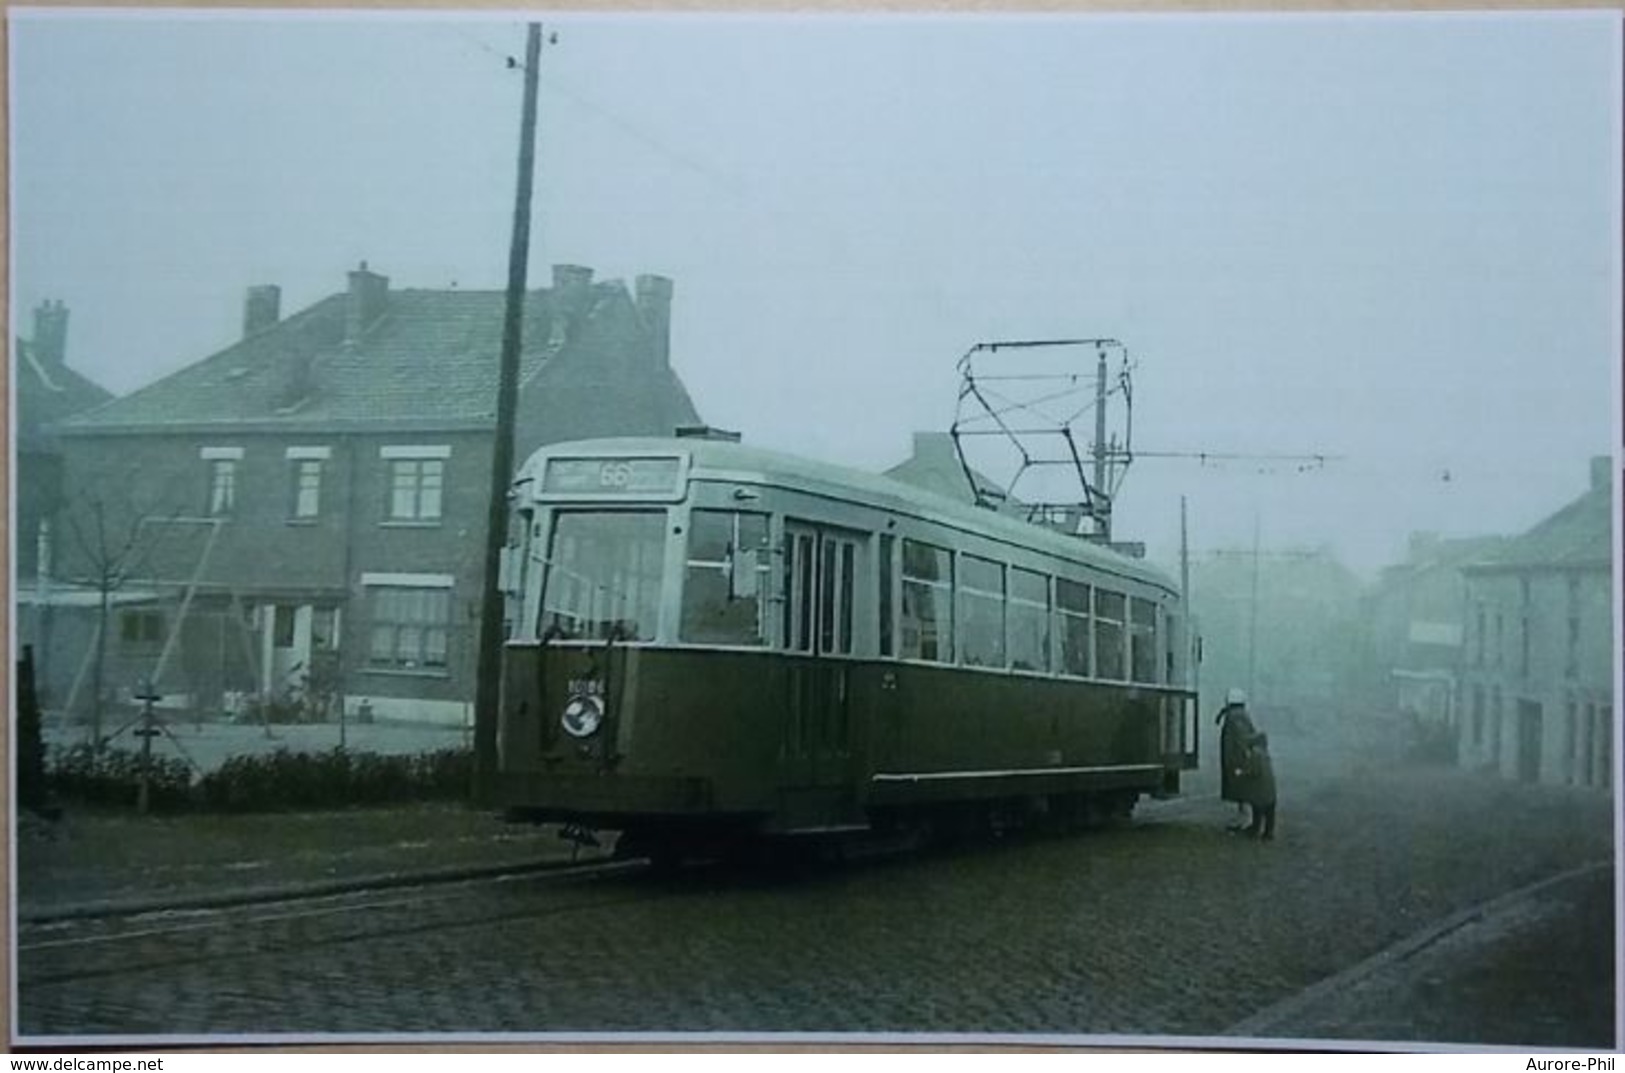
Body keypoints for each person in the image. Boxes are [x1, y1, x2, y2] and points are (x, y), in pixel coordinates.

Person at [1216, 687, 1258, 831]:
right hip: (1238, 758)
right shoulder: (1239, 715)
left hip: (1237, 759)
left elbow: (1240, 740)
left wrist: (1240, 758)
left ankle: (1245, 818)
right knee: (1241, 789)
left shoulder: (1235, 717)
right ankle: (1243, 817)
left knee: (1242, 789)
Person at [1242, 730, 1277, 841]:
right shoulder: (1265, 754)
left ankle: (1255, 829)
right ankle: (1268, 833)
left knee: (1257, 809)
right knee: (1270, 812)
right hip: (1271, 789)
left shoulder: (1255, 754)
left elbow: (1253, 771)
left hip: (1260, 790)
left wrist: (1241, 772)